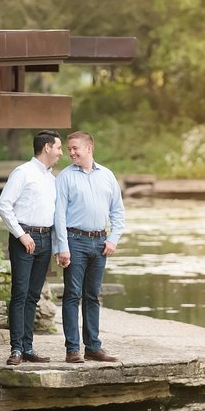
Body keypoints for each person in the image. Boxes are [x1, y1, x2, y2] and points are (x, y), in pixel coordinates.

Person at [54, 130, 125, 363]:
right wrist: (62, 247)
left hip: (100, 242)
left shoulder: (107, 175)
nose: (71, 152)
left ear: (89, 149)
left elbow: (118, 211)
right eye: (69, 148)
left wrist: (113, 238)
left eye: (75, 148)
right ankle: (72, 349)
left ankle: (93, 347)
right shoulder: (64, 177)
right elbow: (59, 216)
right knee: (72, 295)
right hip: (74, 242)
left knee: (92, 296)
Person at [0, 130, 63, 366]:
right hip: (25, 238)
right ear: (46, 147)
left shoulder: (53, 179)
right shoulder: (23, 173)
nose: (60, 153)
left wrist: (57, 246)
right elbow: (4, 206)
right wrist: (21, 235)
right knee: (20, 293)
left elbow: (55, 216)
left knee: (33, 296)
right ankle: (16, 349)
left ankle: (28, 348)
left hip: (45, 240)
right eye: (58, 148)